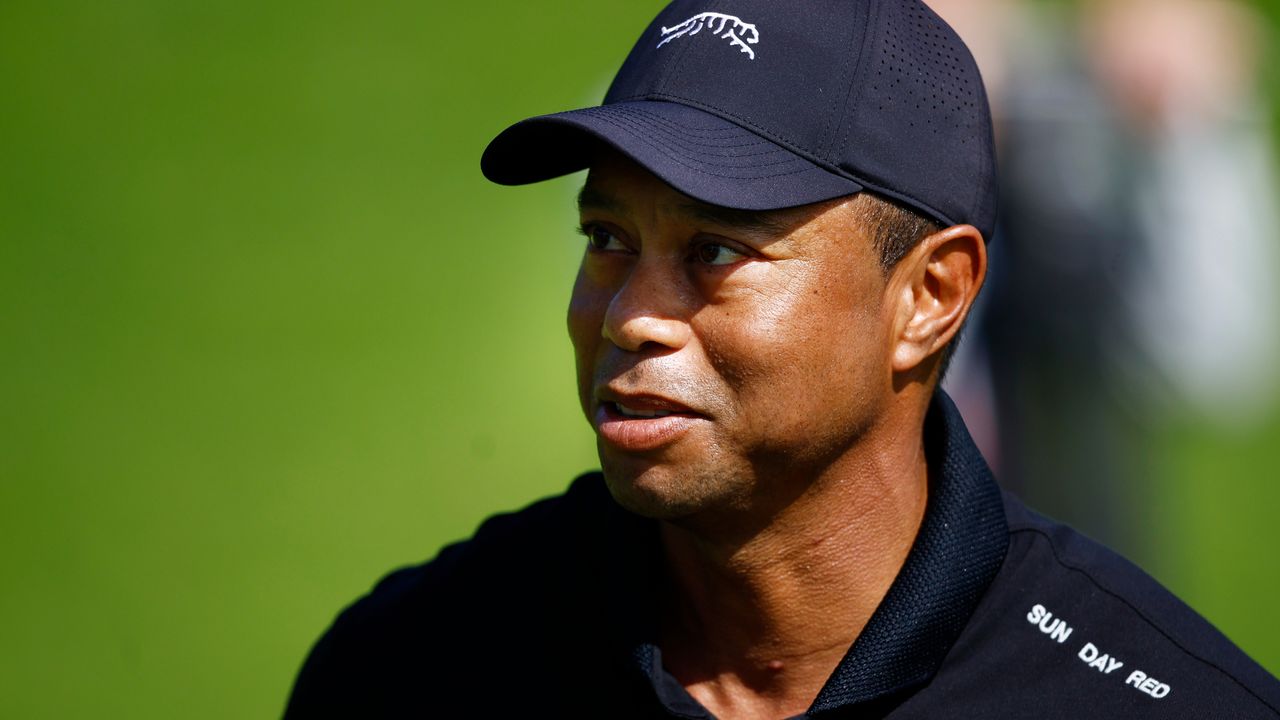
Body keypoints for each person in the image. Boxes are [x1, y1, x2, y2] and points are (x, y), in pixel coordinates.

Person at [284, 1, 1280, 717]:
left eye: (714, 252)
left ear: (927, 297)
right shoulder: (408, 668)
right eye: (606, 240)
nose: (630, 317)